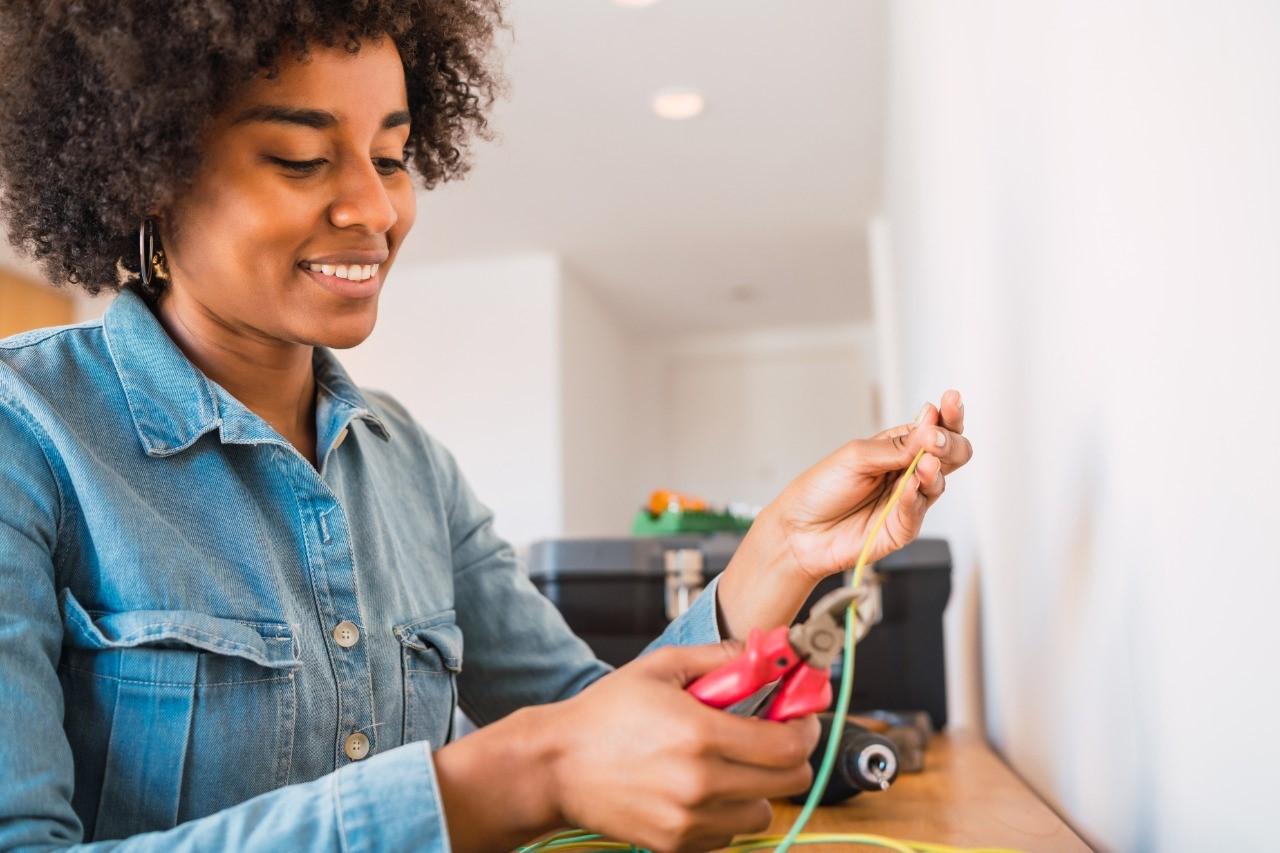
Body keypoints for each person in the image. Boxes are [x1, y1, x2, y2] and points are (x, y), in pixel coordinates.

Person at [0, 3, 972, 851]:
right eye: (301, 158)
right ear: (147, 174)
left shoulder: (407, 462)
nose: (375, 208)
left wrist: (776, 557)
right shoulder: (27, 436)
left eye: (392, 156)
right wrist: (511, 780)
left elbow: (592, 719)